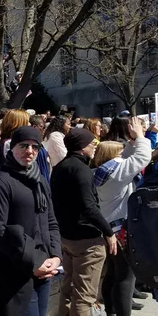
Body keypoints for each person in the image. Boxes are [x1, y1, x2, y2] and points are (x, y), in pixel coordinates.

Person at [0, 126, 62, 316]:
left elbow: (51, 221)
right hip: (12, 269)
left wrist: (55, 256)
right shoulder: (0, 181)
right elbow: (0, 230)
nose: (29, 151)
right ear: (11, 148)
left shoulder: (40, 180)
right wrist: (35, 262)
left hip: (43, 268)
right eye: (24, 145)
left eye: (34, 147)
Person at [50, 128, 116, 316]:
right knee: (84, 295)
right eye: (92, 143)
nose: (95, 145)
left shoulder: (60, 167)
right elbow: (89, 207)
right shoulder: (81, 170)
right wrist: (108, 232)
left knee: (69, 288)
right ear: (81, 147)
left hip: (67, 237)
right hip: (87, 241)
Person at [93, 117, 151, 316]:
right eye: (120, 153)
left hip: (109, 229)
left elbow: (126, 156)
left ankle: (110, 311)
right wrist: (142, 137)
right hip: (120, 232)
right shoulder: (116, 174)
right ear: (112, 156)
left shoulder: (102, 171)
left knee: (113, 274)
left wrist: (133, 142)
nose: (123, 155)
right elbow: (143, 158)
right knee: (126, 279)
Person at [0, 109, 30, 179]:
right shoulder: (10, 144)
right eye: (27, 122)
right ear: (18, 124)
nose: (29, 124)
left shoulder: (5, 143)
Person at [30, 115, 51, 182]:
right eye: (42, 127)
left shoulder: (39, 143)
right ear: (34, 127)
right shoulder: (31, 145)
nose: (44, 130)